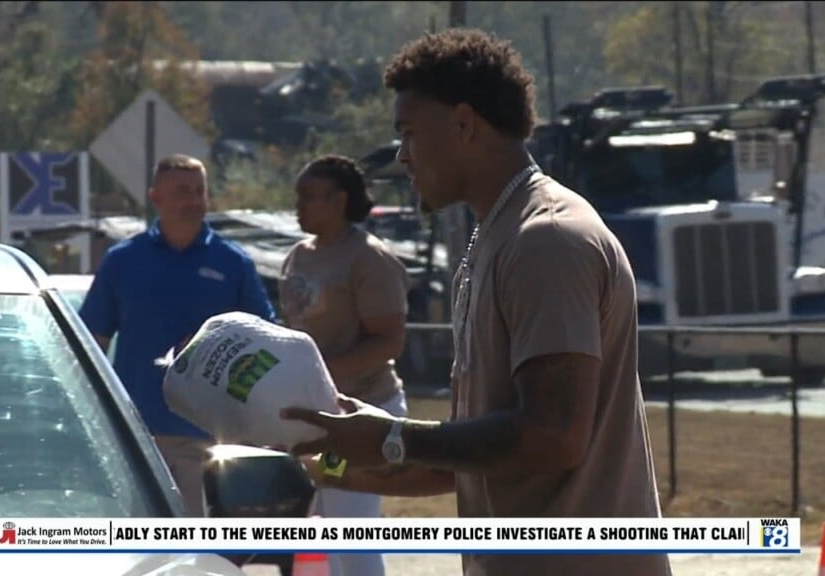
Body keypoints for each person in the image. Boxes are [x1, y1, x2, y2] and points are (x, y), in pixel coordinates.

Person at [281, 29, 672, 576]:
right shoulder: (496, 237)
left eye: (410, 133)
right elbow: (471, 461)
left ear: (464, 124)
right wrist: (331, 461)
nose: (402, 155)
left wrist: (393, 437)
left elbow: (553, 437)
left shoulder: (548, 239)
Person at [79, 154, 277, 518]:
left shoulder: (232, 263)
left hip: (204, 435)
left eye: (200, 191)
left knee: (191, 545)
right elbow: (92, 344)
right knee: (134, 546)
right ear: (156, 198)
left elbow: (266, 339)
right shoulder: (123, 261)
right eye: (183, 191)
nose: (194, 201)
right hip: (134, 434)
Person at [279, 154, 411, 576]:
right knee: (323, 528)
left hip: (364, 417)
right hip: (316, 418)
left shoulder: (368, 258)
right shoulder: (298, 255)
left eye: (307, 196)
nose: (297, 205)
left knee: (350, 531)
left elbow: (389, 340)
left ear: (338, 200)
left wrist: (320, 374)